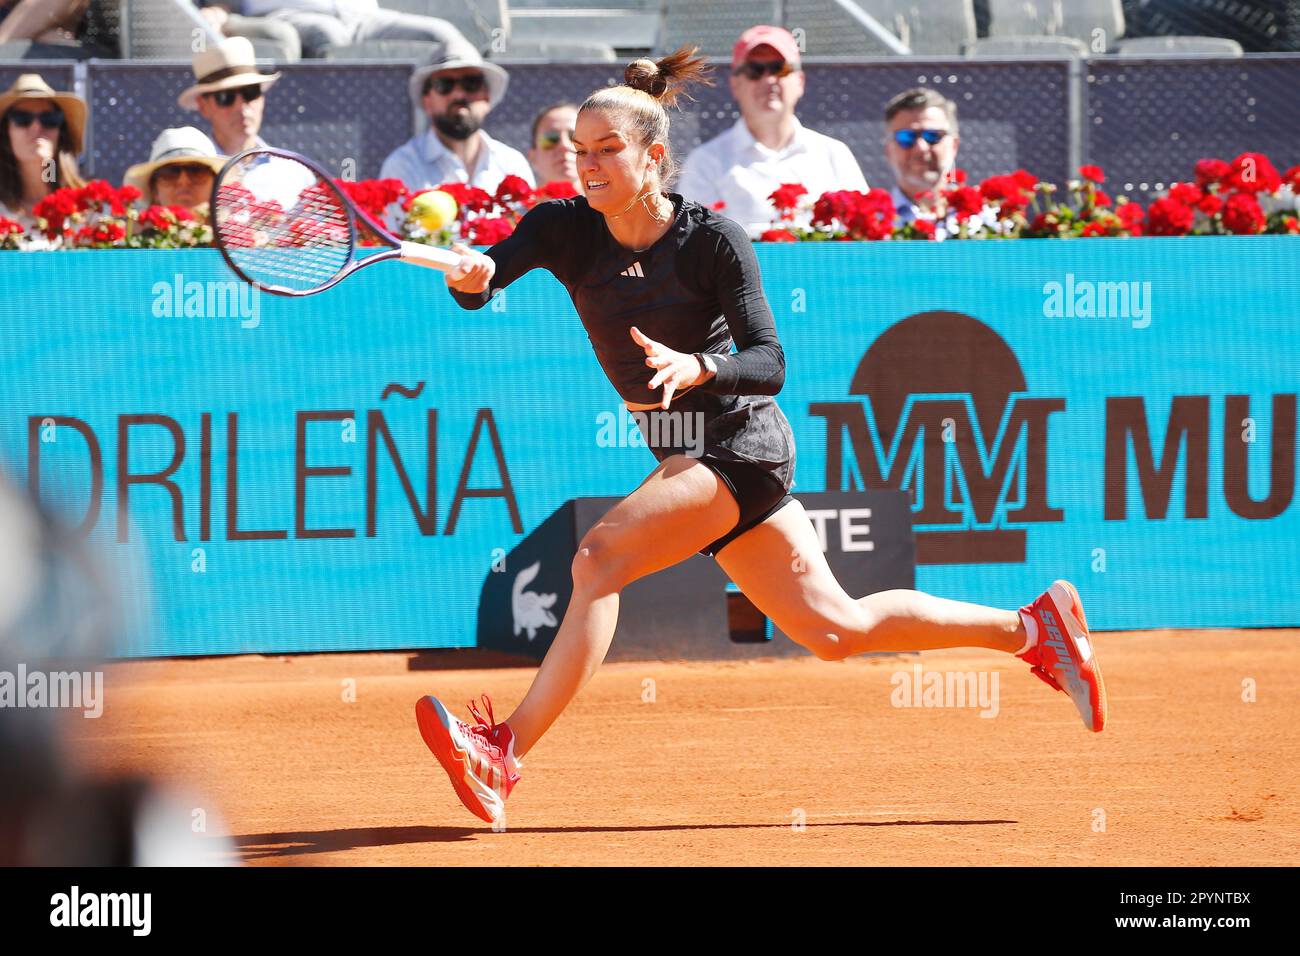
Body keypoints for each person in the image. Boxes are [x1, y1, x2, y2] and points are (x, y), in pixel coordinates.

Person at [414, 48, 1110, 826]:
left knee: (597, 559)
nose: (590, 165)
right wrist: (472, 277)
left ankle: (503, 752)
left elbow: (770, 362)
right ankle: (1032, 629)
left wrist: (700, 366)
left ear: (653, 156)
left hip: (741, 447)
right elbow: (487, 276)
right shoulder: (561, 229)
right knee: (836, 630)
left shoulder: (713, 239)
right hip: (684, 454)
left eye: (609, 149)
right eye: (580, 150)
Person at [677, 25, 867, 237]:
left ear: (800, 81)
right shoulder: (705, 163)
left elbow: (862, 237)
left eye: (780, 69)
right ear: (734, 84)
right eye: (754, 70)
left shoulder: (834, 155)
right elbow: (693, 247)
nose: (768, 80)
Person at [381, 37, 534, 194]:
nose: (459, 94)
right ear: (427, 101)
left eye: (471, 83)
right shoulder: (403, 166)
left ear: (487, 97)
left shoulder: (512, 164)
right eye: (444, 84)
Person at [239, 0, 469, 60]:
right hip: (287, 12)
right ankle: (339, 129)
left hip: (363, 16)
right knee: (330, 36)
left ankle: (475, 131)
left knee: (442, 34)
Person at [0, 73, 85, 229]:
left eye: (50, 119)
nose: (37, 127)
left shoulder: (90, 210)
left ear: (61, 133)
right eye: (22, 118)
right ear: (5, 133)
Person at [179, 36, 281, 156]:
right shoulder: (191, 171)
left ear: (262, 99)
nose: (240, 106)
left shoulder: (288, 169)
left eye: (250, 92)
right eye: (225, 97)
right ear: (203, 106)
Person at [883, 87, 961, 225]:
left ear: (954, 146)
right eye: (906, 137)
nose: (921, 148)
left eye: (933, 136)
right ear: (889, 150)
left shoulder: (990, 220)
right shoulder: (872, 224)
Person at [124, 127, 226, 214]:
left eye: (196, 171)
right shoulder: (131, 237)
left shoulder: (237, 236)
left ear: (216, 186)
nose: (183, 181)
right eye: (170, 172)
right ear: (154, 191)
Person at [527, 102, 579, 194]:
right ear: (532, 157)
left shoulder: (612, 206)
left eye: (575, 137)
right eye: (551, 138)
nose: (564, 145)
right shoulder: (512, 207)